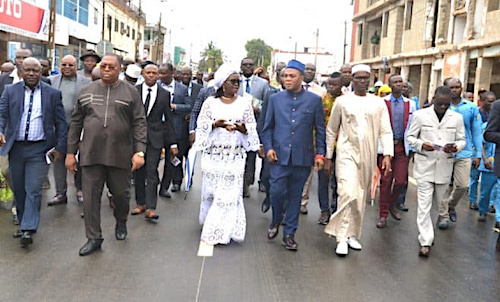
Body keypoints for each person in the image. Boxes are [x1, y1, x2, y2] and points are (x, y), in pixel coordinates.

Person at [66, 53, 147, 256]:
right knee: (91, 197)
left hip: (120, 154)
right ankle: (94, 237)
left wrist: (139, 151)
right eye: (104, 66)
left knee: (121, 194)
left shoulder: (130, 92)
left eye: (112, 67)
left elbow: (139, 122)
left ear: (120, 69)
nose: (107, 70)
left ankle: (121, 222)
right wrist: (70, 153)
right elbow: (76, 123)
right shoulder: (87, 91)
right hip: (91, 153)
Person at [324, 64, 393, 256]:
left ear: (370, 81)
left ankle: (353, 233)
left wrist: (387, 154)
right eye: (358, 78)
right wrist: (329, 156)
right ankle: (341, 237)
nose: (362, 81)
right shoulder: (342, 101)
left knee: (361, 194)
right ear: (352, 79)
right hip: (346, 152)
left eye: (366, 78)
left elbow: (385, 130)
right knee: (347, 192)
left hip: (369, 154)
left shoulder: (378, 103)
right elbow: (331, 130)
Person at [0, 57, 68, 248]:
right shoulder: (10, 91)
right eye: (27, 70)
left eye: (35, 70)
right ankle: (23, 223)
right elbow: (2, 114)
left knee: (34, 189)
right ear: (21, 71)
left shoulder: (53, 94)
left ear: (41, 72)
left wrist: (60, 147)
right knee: (19, 189)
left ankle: (28, 228)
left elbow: (61, 123)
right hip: (16, 147)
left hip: (39, 149)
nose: (31, 74)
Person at [261, 59, 326, 251]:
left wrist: (320, 154)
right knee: (277, 191)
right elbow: (267, 128)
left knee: (296, 197)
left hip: (302, 157)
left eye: (292, 76)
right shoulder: (275, 99)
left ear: (301, 77)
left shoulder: (314, 101)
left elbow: (320, 130)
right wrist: (269, 147)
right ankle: (275, 220)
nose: (287, 79)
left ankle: (289, 234)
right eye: (285, 76)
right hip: (278, 157)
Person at [193, 63, 260, 245]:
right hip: (213, 156)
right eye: (233, 81)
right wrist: (216, 124)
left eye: (238, 81)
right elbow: (202, 126)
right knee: (213, 192)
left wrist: (242, 129)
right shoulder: (210, 103)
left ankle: (222, 231)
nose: (237, 84)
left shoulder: (245, 103)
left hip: (234, 157)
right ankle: (209, 221)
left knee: (229, 196)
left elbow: (252, 129)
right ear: (223, 84)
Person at [406, 86, 466, 257]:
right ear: (433, 99)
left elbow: (462, 140)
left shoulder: (457, 118)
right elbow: (410, 137)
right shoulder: (420, 115)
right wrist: (421, 145)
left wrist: (455, 147)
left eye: (447, 105)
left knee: (439, 204)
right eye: (440, 104)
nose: (443, 107)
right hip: (425, 165)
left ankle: (429, 231)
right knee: (424, 205)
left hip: (444, 166)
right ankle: (425, 241)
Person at [131, 64, 178, 220]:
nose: (151, 75)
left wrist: (172, 143)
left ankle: (151, 208)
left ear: (158, 76)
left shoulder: (164, 94)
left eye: (154, 73)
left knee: (152, 172)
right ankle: (140, 203)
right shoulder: (134, 91)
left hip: (155, 138)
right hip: (137, 138)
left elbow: (169, 119)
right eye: (148, 72)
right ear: (143, 74)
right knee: (138, 171)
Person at [48, 55, 91, 206]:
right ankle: (60, 193)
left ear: (76, 66)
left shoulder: (86, 82)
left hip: (78, 127)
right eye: (64, 64)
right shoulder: (51, 81)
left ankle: (80, 190)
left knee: (78, 159)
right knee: (58, 159)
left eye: (70, 65)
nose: (67, 67)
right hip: (57, 128)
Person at [375, 74, 417, 228]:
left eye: (401, 82)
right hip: (385, 148)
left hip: (401, 147)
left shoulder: (410, 104)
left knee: (401, 181)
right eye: (396, 82)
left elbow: (413, 125)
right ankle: (383, 214)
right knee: (386, 181)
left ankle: (392, 203)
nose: (399, 84)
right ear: (390, 85)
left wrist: (412, 147)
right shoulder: (381, 103)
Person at [444, 78, 482, 226]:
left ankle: (450, 206)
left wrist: (478, 154)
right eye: (451, 87)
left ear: (462, 88)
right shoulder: (441, 106)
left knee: (462, 185)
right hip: (444, 152)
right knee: (442, 186)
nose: (454, 90)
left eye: (457, 87)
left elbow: (477, 132)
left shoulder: (471, 108)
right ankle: (443, 216)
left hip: (464, 152)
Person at [158, 63, 191, 198]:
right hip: (157, 127)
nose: (160, 76)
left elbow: (189, 106)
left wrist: (175, 107)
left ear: (171, 73)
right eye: (160, 73)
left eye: (164, 73)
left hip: (174, 128)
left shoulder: (182, 89)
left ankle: (165, 187)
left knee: (171, 160)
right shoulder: (156, 87)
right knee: (153, 158)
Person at [238, 58, 269, 198]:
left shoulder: (263, 84)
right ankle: (241, 183)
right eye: (245, 65)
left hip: (255, 124)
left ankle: (248, 180)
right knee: (239, 154)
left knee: (251, 155)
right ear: (241, 67)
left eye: (251, 65)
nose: (248, 67)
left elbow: (267, 104)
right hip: (238, 124)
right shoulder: (234, 81)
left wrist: (258, 109)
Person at [315, 72, 343, 225]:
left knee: (339, 180)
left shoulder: (346, 101)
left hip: (342, 147)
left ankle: (336, 209)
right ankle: (324, 210)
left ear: (342, 85)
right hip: (324, 146)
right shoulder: (321, 101)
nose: (331, 87)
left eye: (335, 85)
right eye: (329, 85)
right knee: (323, 180)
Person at [300, 62, 327, 214]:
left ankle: (303, 202)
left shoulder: (321, 93)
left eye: (312, 70)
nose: (309, 72)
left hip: (312, 138)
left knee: (308, 173)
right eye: (307, 69)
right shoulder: (294, 89)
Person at [469, 91, 496, 211]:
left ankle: (489, 203)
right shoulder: (476, 113)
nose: (492, 104)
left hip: (490, 151)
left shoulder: (495, 114)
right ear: (483, 101)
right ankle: (472, 200)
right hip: (476, 151)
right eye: (489, 101)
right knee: (474, 178)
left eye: (494, 101)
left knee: (491, 180)